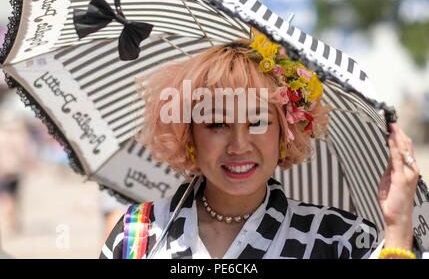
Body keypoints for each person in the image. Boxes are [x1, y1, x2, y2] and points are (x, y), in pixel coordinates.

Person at [100, 32, 420, 259]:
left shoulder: (339, 238)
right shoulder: (139, 233)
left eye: (258, 122)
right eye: (217, 123)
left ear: (285, 131)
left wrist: (397, 225)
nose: (239, 145)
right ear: (189, 134)